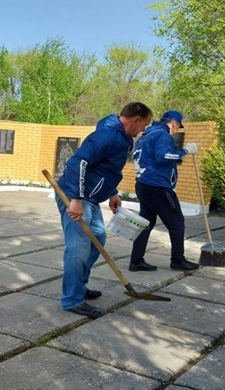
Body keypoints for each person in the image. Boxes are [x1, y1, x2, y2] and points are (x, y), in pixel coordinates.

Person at [55, 102, 153, 318]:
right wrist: (76, 198)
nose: (143, 130)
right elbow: (77, 163)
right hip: (76, 196)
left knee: (97, 237)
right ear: (136, 120)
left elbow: (104, 168)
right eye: (144, 125)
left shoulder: (123, 137)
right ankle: (72, 299)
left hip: (90, 196)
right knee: (78, 247)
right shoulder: (108, 135)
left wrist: (112, 192)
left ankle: (78, 286)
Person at [129, 110, 200, 272]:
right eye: (178, 126)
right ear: (174, 123)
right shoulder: (162, 135)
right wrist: (186, 151)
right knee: (176, 223)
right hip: (157, 187)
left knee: (146, 223)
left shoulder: (146, 135)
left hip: (143, 184)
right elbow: (164, 156)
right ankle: (178, 260)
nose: (177, 130)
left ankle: (136, 261)